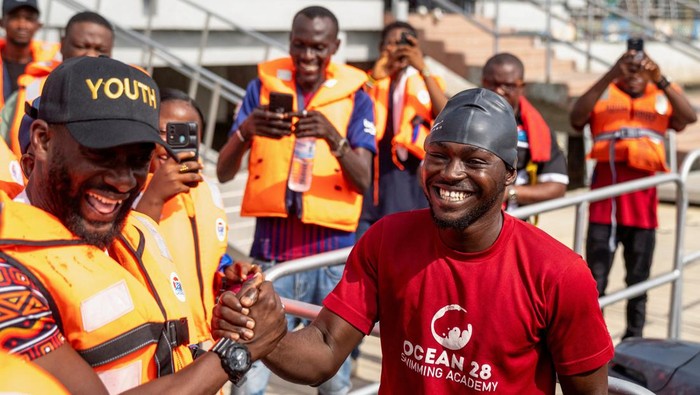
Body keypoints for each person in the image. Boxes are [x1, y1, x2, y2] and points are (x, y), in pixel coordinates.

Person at [222, 88, 615, 394]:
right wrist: (266, 337)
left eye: (475, 161)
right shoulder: (386, 240)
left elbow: (587, 391)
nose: (451, 173)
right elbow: (324, 348)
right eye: (438, 156)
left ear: (510, 174)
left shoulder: (559, 273)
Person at [0, 56, 286, 394]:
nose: (123, 181)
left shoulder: (139, 231)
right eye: (101, 153)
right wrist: (236, 353)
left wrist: (228, 303)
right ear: (43, 141)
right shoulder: (9, 277)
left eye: (138, 159)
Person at [216, 5, 375, 394]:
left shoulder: (358, 98)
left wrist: (332, 137)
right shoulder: (261, 88)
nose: (306, 56)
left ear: (334, 47)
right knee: (247, 373)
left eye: (317, 47)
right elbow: (222, 172)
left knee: (333, 379)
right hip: (271, 255)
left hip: (331, 263)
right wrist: (246, 131)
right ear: (289, 42)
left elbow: (365, 180)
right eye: (299, 45)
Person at [569, 41, 697, 339]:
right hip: (604, 211)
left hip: (643, 214)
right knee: (595, 282)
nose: (634, 72)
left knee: (639, 282)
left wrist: (660, 78)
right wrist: (612, 72)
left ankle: (633, 342)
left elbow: (689, 117)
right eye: (629, 67)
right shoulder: (605, 94)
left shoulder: (660, 97)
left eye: (641, 67)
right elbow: (576, 119)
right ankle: (593, 342)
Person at [135, 87, 228, 347]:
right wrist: (153, 196)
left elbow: (213, 259)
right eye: (163, 132)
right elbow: (125, 255)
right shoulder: (131, 187)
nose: (170, 144)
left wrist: (230, 273)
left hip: (209, 342)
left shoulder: (209, 190)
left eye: (185, 134)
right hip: (160, 342)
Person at [359, 20, 447, 237]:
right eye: (390, 44)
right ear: (381, 49)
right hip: (371, 175)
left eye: (403, 44)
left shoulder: (426, 80)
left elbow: (447, 114)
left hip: (407, 179)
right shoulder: (368, 80)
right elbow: (350, 110)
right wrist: (374, 77)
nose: (397, 50)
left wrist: (422, 67)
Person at [1, 10, 113, 157]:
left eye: (100, 49)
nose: (90, 55)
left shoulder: (126, 99)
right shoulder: (28, 92)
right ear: (62, 44)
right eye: (81, 46)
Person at [481, 53, 568, 215]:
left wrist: (509, 193)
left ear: (522, 87)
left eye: (508, 85)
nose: (499, 90)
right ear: (482, 82)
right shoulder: (463, 118)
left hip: (513, 220)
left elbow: (557, 187)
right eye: (492, 83)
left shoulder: (538, 131)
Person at [0, 0, 59, 108]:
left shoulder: (52, 67)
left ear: (38, 25)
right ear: (2, 22)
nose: (22, 25)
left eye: (29, 18)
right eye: (15, 17)